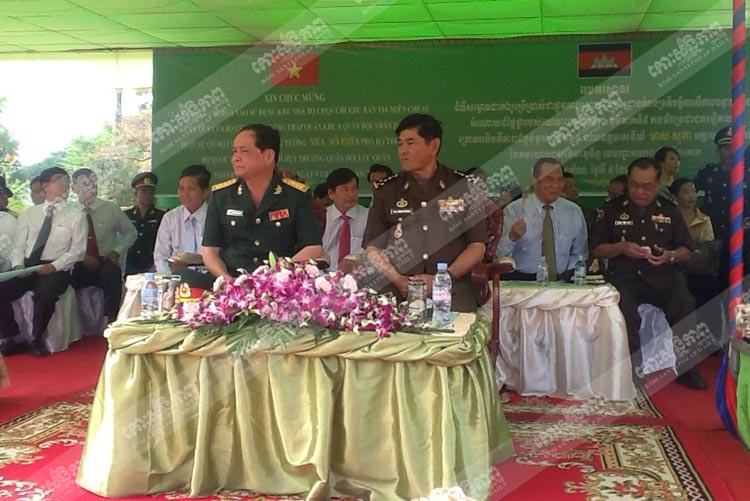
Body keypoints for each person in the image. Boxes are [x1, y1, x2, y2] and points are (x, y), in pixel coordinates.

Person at [591, 157, 708, 390]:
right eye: (634, 185)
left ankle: (688, 370)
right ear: (628, 181)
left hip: (664, 276)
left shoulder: (670, 210)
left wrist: (670, 255)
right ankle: (633, 373)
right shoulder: (611, 209)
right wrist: (621, 248)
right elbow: (597, 248)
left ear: (658, 184)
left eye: (647, 186)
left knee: (685, 303)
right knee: (624, 312)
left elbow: (686, 250)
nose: (640, 191)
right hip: (625, 277)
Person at [362, 113, 488, 312]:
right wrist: (398, 280)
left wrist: (443, 278)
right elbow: (373, 248)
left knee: (455, 325)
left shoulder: (464, 187)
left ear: (434, 145)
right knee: (374, 318)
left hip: (452, 287)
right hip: (397, 287)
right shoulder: (387, 190)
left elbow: (477, 246)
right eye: (400, 144)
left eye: (410, 143)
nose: (402, 151)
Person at [200, 124, 323, 289]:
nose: (235, 158)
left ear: (268, 156)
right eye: (234, 151)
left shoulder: (295, 195)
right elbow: (210, 251)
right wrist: (228, 281)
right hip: (231, 285)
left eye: (244, 151)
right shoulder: (221, 195)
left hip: (280, 288)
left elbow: (313, 247)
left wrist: (278, 276)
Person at [0, 167, 86, 357]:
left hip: (57, 268)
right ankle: (10, 336)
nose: (64, 183)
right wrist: (18, 265)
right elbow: (18, 246)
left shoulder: (76, 215)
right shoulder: (29, 214)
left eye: (66, 180)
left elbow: (78, 251)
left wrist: (54, 266)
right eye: (58, 179)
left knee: (45, 292)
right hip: (27, 266)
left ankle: (36, 338)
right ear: (45, 185)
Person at [497, 158, 588, 280]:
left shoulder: (573, 211)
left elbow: (580, 254)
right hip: (523, 281)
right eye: (549, 179)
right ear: (534, 181)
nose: (555, 185)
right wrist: (512, 237)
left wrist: (568, 277)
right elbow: (498, 255)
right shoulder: (514, 210)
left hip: (562, 282)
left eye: (559, 180)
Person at [70, 168, 136, 323]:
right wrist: (81, 256)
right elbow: (61, 242)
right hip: (77, 262)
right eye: (84, 184)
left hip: (104, 260)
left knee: (112, 274)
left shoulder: (110, 208)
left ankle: (112, 320)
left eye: (93, 183)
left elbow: (131, 233)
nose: (90, 188)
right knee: (61, 279)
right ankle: (71, 325)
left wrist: (116, 251)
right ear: (74, 188)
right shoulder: (68, 211)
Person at [154, 164, 211, 277]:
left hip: (209, 278)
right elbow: (160, 256)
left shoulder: (214, 217)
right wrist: (170, 278)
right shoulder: (170, 218)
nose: (185, 194)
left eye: (191, 189)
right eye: (181, 188)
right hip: (175, 278)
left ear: (205, 192)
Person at [322, 168, 368, 271]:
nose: (351, 194)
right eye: (345, 189)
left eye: (354, 189)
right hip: (325, 276)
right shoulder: (322, 217)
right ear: (331, 193)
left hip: (360, 276)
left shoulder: (368, 217)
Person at [124, 172, 165, 275]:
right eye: (143, 192)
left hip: (152, 264)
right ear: (136, 193)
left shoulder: (162, 215)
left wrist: (157, 265)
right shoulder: (126, 215)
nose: (147, 195)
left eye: (151, 192)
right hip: (129, 264)